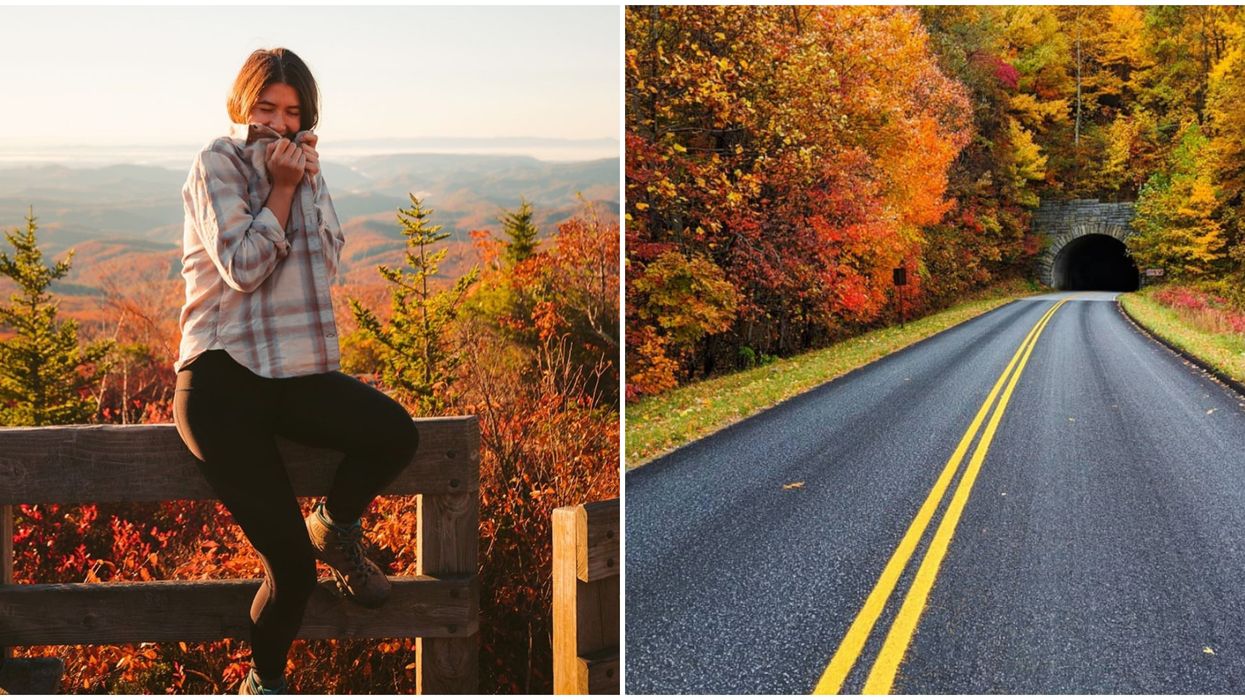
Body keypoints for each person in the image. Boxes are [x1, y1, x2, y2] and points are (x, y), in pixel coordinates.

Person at [171, 48, 419, 695]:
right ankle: (265, 685)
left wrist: (304, 182)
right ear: (240, 105)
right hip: (219, 382)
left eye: (293, 112)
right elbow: (245, 267)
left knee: (393, 432)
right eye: (266, 108)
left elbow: (327, 258)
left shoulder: (304, 163)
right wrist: (280, 189)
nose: (279, 125)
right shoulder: (215, 164)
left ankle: (332, 528)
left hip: (288, 369)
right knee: (291, 572)